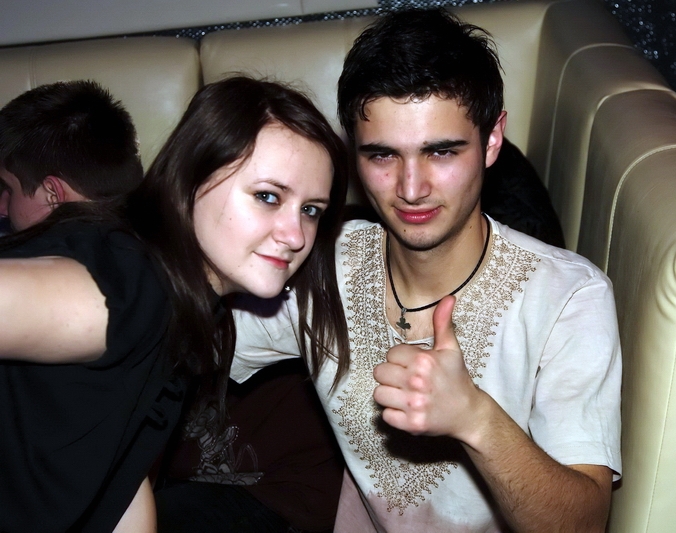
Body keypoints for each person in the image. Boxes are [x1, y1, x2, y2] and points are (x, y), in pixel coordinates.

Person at [233, 9, 622, 533]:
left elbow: (584, 525)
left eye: (440, 152)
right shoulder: (319, 262)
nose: (411, 188)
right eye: (382, 156)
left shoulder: (569, 297)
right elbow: (184, 336)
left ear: (492, 139)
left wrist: (476, 418)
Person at [0, 76, 348, 532]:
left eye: (310, 210)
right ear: (190, 179)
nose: (296, 235)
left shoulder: (186, 304)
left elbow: (119, 478)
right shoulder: (129, 282)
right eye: (268, 197)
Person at [0, 80, 143, 233]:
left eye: (9, 190)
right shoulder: (146, 231)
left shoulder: (32, 246)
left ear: (52, 196)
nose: (2, 208)